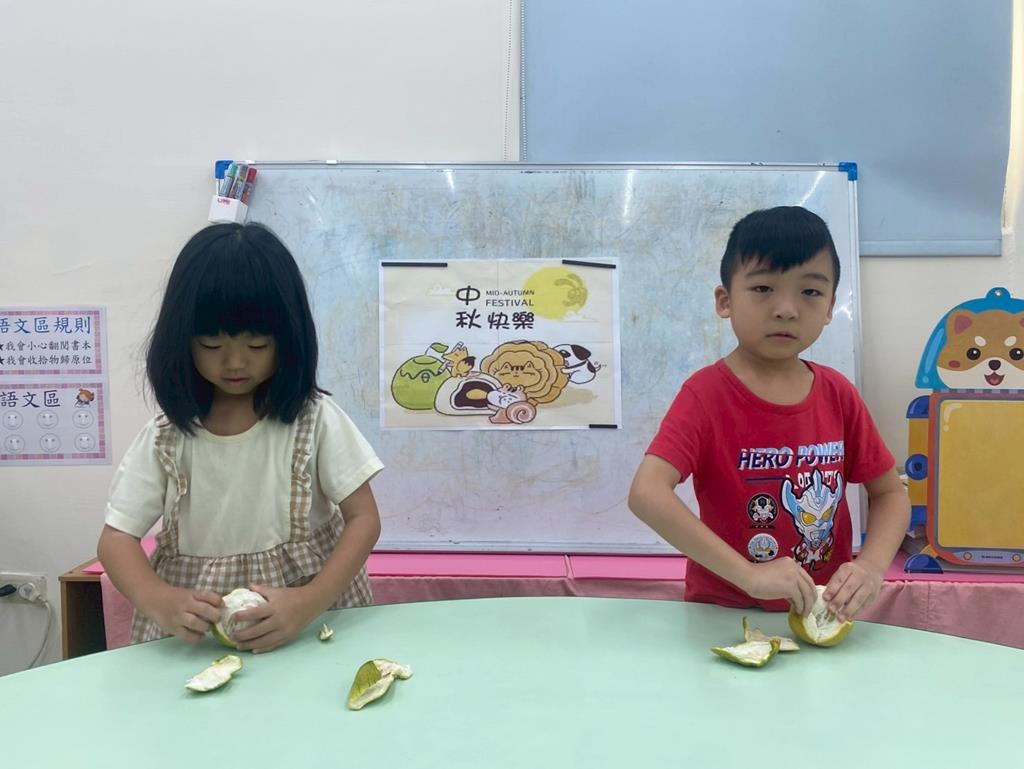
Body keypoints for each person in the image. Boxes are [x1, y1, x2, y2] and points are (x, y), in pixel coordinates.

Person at [97, 222, 382, 652]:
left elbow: (364, 519)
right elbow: (116, 540)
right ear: (182, 340)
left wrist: (309, 602)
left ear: (288, 338)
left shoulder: (313, 420)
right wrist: (159, 600)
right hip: (200, 636)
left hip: (308, 625)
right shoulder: (167, 438)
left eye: (257, 345)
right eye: (212, 346)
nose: (234, 363)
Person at [629, 206, 909, 621]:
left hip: (821, 615)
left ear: (830, 308)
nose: (786, 309)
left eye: (810, 292)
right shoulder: (705, 395)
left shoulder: (838, 394)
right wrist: (750, 576)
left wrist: (870, 566)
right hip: (723, 615)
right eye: (763, 288)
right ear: (725, 301)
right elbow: (647, 494)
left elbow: (890, 494)